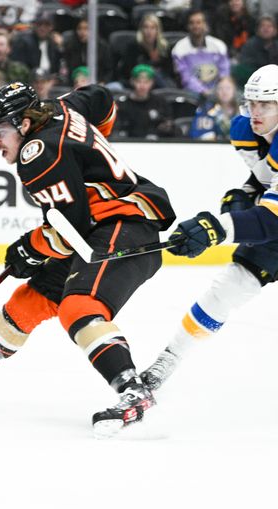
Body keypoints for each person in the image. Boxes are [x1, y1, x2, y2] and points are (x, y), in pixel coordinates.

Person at [0, 81, 177, 437]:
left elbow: (69, 229)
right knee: (30, 300)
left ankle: (134, 393)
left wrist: (31, 248)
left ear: (24, 124)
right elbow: (102, 97)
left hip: (124, 227)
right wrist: (91, 154)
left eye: (0, 131)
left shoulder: (37, 154)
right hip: (99, 229)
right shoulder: (60, 107)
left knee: (79, 306)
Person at [139, 64, 278, 391]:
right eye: (252, 102)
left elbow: (271, 220)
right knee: (226, 289)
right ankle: (169, 359)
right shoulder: (244, 129)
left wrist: (216, 227)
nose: (255, 112)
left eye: (266, 104)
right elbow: (265, 179)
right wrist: (244, 194)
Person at [171, 10, 230, 99]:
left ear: (205, 25)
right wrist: (204, 91)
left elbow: (224, 73)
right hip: (193, 92)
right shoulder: (179, 49)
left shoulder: (219, 46)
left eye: (199, 22)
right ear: (188, 26)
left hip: (217, 90)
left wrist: (219, 90)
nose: (195, 26)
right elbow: (186, 78)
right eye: (192, 23)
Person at [115, 64, 173, 140]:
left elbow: (169, 125)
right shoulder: (122, 104)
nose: (142, 86)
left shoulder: (160, 102)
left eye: (146, 82)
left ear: (152, 82)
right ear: (132, 81)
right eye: (138, 81)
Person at [117, 14, 175, 89]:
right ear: (141, 30)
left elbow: (169, 72)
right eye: (146, 27)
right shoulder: (133, 47)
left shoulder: (165, 48)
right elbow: (127, 71)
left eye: (153, 28)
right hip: (137, 82)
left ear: (158, 30)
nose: (149, 31)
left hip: (158, 84)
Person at [189, 75, 239, 140]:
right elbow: (201, 137)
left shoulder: (242, 112)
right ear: (216, 91)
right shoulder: (207, 111)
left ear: (234, 90)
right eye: (220, 88)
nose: (224, 92)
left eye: (228, 88)